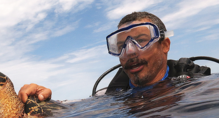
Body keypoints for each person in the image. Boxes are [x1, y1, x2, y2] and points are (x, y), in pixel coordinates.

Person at [18, 11, 211, 102]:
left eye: (142, 40)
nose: (130, 52)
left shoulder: (200, 87)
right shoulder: (109, 97)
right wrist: (43, 103)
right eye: (121, 46)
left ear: (165, 45)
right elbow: (73, 112)